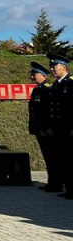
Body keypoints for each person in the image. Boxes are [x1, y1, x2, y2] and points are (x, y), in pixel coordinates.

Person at [47, 54, 73, 199]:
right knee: (62, 159)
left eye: (54, 67)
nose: (52, 69)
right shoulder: (56, 85)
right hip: (58, 129)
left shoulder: (70, 83)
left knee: (70, 160)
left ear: (63, 67)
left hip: (68, 129)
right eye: (51, 67)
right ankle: (68, 188)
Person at [27, 62, 57, 191]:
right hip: (40, 130)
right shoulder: (38, 89)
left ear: (43, 75)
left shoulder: (46, 89)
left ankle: (56, 183)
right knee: (47, 156)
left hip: (46, 131)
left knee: (52, 157)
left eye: (35, 75)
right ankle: (52, 182)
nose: (33, 77)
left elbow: (48, 112)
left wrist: (45, 128)